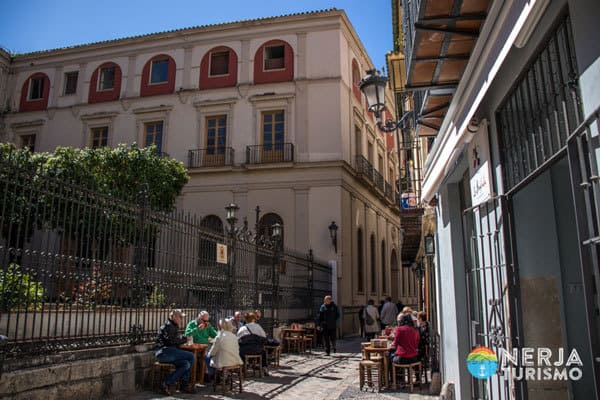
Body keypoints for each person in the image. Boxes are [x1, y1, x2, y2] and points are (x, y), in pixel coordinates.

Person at [155, 309, 195, 395]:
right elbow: (171, 341)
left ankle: (166, 383)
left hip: (169, 352)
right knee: (191, 356)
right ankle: (184, 383)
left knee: (185, 364)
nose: (182, 319)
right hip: (164, 352)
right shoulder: (169, 326)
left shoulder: (173, 325)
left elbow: (173, 340)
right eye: (180, 317)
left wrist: (182, 339)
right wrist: (185, 338)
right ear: (173, 317)